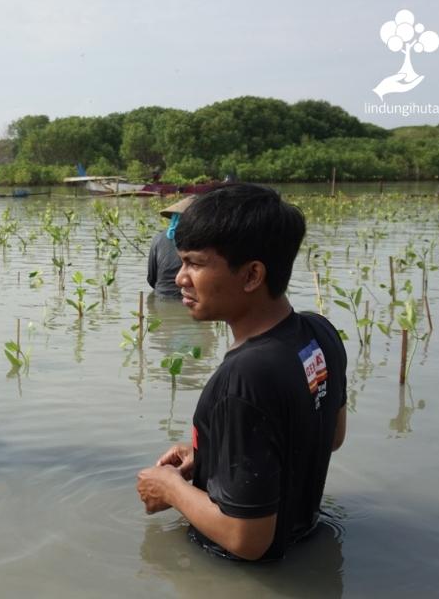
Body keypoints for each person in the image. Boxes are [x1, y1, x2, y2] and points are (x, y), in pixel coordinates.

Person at [136, 183, 347, 561]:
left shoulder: (244, 377)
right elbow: (328, 436)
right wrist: (214, 454)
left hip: (242, 572)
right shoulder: (319, 334)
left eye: (196, 263)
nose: (181, 277)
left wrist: (169, 488)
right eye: (182, 261)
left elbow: (246, 540)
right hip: (307, 536)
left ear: (252, 276)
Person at [147, 184, 223, 298]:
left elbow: (151, 279)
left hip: (162, 297)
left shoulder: (159, 239)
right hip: (193, 299)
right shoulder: (208, 239)